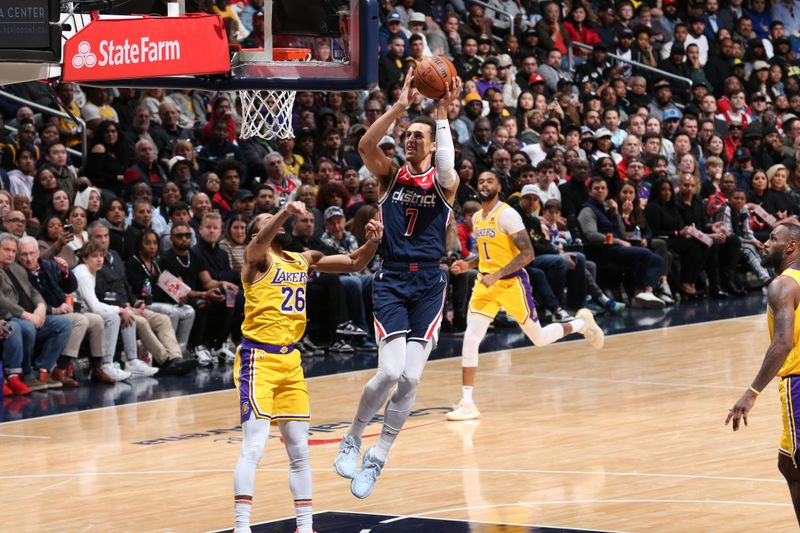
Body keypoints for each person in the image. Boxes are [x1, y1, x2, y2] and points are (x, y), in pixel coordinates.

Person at [333, 72, 462, 499]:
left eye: (418, 137)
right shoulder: (390, 176)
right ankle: (353, 437)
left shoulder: (447, 182)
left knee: (410, 379)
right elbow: (366, 146)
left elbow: (446, 164)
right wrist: (401, 107)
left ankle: (379, 455)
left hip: (429, 282)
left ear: (433, 142)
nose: (410, 140)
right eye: (408, 136)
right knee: (388, 371)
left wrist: (441, 114)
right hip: (391, 277)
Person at [232, 202, 383, 533]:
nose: (282, 226)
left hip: (291, 361)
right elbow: (258, 243)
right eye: (270, 222)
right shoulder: (256, 260)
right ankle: (241, 527)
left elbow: (354, 262)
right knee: (254, 446)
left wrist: (372, 241)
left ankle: (305, 526)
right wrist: (284, 211)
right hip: (259, 359)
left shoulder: (302, 259)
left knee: (299, 449)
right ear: (259, 231)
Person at [445, 171, 604, 421]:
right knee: (471, 338)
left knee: (538, 338)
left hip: (510, 284)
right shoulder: (477, 217)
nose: (484, 184)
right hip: (485, 284)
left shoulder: (507, 214)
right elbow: (487, 254)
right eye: (481, 181)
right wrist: (468, 264)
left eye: (490, 180)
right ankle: (467, 402)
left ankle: (581, 323)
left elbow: (527, 254)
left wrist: (497, 275)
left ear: (499, 186)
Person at [726, 220, 800, 526]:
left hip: (797, 381)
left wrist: (751, 392)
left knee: (796, 464)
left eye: (772, 238)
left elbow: (783, 343)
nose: (764, 243)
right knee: (788, 463)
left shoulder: (782, 286)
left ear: (791, 247)